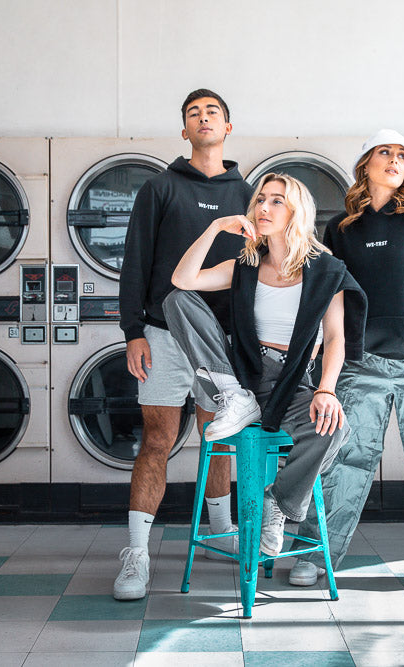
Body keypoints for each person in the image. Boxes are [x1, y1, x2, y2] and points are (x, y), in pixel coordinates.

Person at [290, 129, 404, 596]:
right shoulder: (343, 229)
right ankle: (315, 553)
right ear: (366, 165)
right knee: (342, 462)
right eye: (384, 153)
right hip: (361, 361)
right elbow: (333, 294)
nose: (394, 160)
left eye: (401, 155)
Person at [162, 172, 366, 557]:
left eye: (277, 201)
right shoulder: (245, 264)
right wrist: (216, 226)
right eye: (260, 200)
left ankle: (278, 503)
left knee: (333, 430)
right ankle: (233, 395)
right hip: (242, 372)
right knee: (176, 300)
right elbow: (182, 279)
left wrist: (326, 389)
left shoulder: (326, 270)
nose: (264, 208)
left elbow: (336, 338)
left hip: (292, 380)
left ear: (296, 212)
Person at [113, 89, 254, 601]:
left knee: (219, 436)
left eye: (212, 111)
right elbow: (136, 262)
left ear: (228, 126)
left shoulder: (250, 193)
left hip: (225, 338)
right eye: (193, 113)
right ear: (184, 130)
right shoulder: (160, 188)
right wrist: (133, 331)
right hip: (163, 334)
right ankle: (136, 555)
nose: (203, 118)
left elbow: (261, 266)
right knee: (157, 439)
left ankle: (220, 531)